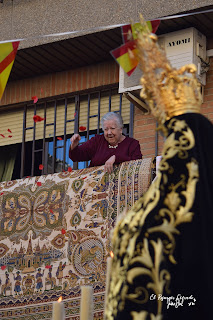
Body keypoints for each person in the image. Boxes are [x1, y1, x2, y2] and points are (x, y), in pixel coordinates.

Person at [69, 112, 142, 173]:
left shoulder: (132, 144)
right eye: (106, 129)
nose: (109, 133)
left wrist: (116, 158)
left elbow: (137, 164)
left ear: (120, 129)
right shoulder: (97, 141)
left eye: (112, 128)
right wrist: (74, 145)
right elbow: (76, 156)